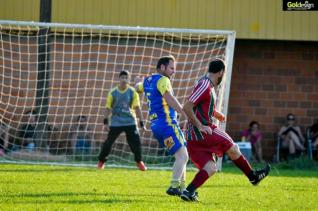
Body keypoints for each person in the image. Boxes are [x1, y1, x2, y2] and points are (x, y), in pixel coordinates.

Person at [181, 59, 270, 202]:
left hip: (193, 138)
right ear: (221, 72)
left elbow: (200, 107)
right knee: (233, 147)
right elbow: (187, 107)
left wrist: (216, 114)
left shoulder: (205, 84)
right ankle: (253, 177)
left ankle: (188, 191)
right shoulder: (205, 85)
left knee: (211, 167)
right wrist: (200, 126)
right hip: (202, 132)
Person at [135, 55, 189, 196]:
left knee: (182, 155)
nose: (174, 71)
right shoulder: (163, 80)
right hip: (167, 123)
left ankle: (183, 189)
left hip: (156, 126)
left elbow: (137, 88)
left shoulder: (147, 81)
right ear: (162, 67)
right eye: (171, 68)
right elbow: (169, 97)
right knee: (183, 156)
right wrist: (183, 112)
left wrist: (138, 82)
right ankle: (174, 186)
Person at [97, 70, 147, 171]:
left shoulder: (133, 92)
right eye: (122, 77)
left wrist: (142, 123)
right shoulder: (113, 92)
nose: (124, 79)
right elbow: (107, 108)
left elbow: (137, 108)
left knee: (136, 142)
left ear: (128, 80)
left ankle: (139, 162)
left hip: (130, 122)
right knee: (108, 143)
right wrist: (105, 122)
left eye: (126, 78)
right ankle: (101, 162)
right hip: (116, 122)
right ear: (119, 79)